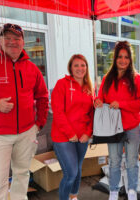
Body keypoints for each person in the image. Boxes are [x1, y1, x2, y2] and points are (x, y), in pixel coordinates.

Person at [0, 23, 49, 200]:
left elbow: (43, 97)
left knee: (22, 176)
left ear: (23, 42)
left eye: (16, 38)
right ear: (0, 40)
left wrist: (39, 124)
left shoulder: (32, 68)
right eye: (8, 38)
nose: (12, 42)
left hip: (27, 133)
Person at [94, 41, 140, 200]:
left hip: (131, 127)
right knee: (114, 162)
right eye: (120, 57)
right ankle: (113, 191)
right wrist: (97, 101)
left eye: (126, 57)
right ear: (115, 58)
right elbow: (100, 97)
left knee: (131, 162)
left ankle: (132, 191)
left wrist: (121, 104)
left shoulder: (137, 79)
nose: (123, 60)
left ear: (131, 59)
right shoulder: (107, 79)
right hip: (112, 128)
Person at [51, 54, 94, 200]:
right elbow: (58, 112)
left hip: (83, 137)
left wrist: (88, 133)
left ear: (86, 68)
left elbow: (92, 113)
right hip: (63, 137)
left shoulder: (89, 88)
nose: (80, 68)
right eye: (76, 65)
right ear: (70, 67)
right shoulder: (62, 84)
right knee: (71, 173)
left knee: (78, 169)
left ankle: (73, 196)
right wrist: (70, 133)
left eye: (83, 65)